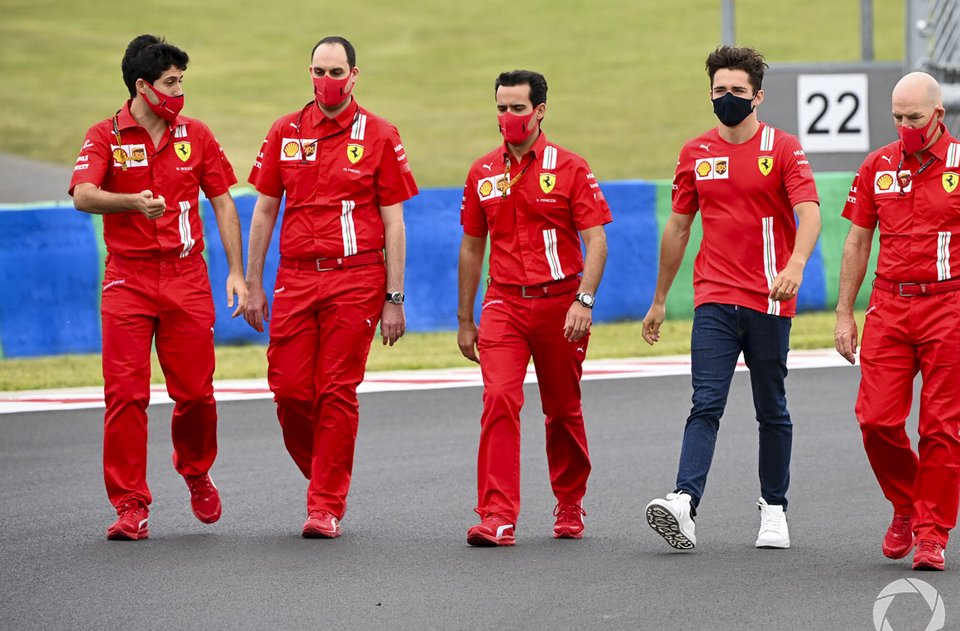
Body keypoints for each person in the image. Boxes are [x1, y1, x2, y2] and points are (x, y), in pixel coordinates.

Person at [834, 71, 960, 571]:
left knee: (940, 428)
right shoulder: (877, 165)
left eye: (913, 117)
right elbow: (856, 241)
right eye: (896, 117)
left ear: (939, 114)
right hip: (889, 307)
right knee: (875, 420)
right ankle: (906, 503)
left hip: (950, 307)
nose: (904, 126)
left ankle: (932, 533)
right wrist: (844, 312)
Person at [642, 46, 821, 551]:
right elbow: (678, 227)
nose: (728, 99)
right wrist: (659, 300)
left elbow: (809, 213)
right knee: (706, 402)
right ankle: (684, 502)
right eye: (719, 91)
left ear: (758, 96)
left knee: (772, 408)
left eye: (738, 92)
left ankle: (774, 509)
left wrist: (795, 265)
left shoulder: (783, 149)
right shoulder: (695, 153)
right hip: (714, 299)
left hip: (768, 298)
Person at [70, 34, 247, 541]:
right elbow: (83, 195)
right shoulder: (104, 135)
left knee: (195, 393)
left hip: (187, 276)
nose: (179, 92)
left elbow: (222, 200)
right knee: (124, 396)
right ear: (143, 87)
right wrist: (132, 204)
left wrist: (235, 272)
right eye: (171, 83)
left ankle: (194, 469)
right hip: (127, 278)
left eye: (181, 82)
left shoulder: (197, 133)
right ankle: (130, 504)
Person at [243, 36, 418, 539]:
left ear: (355, 75)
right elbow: (264, 211)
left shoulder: (381, 134)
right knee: (290, 391)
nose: (326, 81)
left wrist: (393, 297)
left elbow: (394, 223)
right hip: (295, 277)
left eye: (336, 72)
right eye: (318, 71)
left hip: (357, 277)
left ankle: (325, 504)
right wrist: (254, 283)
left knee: (336, 390)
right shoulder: (285, 130)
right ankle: (323, 473)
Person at [457, 69, 611, 547]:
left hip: (560, 303)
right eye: (501, 108)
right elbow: (469, 248)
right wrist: (465, 319)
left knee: (562, 410)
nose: (508, 117)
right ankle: (497, 514)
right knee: (499, 399)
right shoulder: (482, 172)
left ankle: (569, 501)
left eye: (517, 108)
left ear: (540, 110)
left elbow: (596, 240)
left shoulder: (571, 168)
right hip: (502, 303)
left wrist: (583, 300)